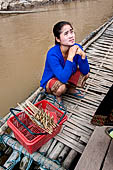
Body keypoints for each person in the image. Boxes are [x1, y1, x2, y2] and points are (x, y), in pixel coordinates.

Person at [40, 21, 90, 104]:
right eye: (66, 33)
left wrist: (83, 56)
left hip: (66, 75)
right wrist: (70, 56)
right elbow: (63, 78)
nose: (71, 36)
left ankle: (70, 88)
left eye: (71, 31)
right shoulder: (52, 54)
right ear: (58, 39)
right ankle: (58, 96)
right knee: (61, 88)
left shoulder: (76, 47)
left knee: (85, 75)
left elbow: (85, 71)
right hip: (53, 79)